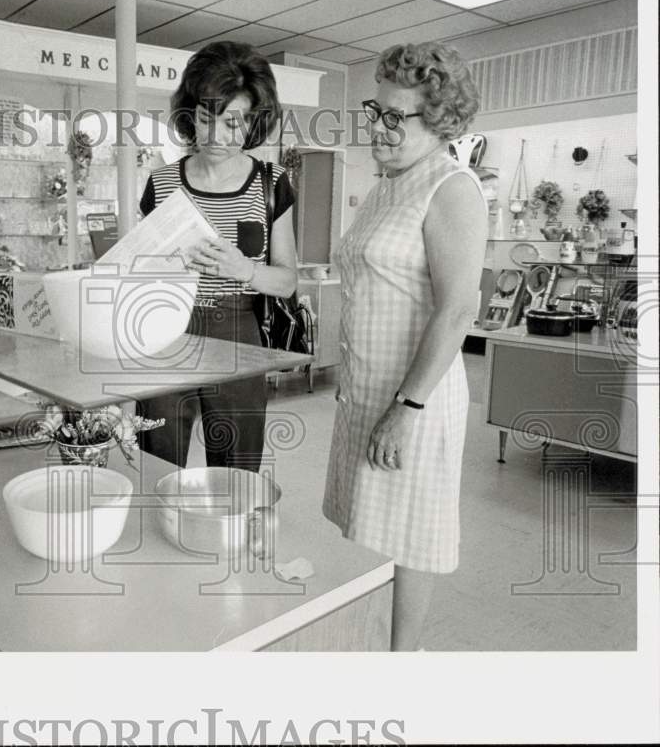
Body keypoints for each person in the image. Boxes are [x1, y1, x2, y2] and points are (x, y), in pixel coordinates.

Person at [322, 41, 487, 651]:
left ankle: (401, 665)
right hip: (368, 389)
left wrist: (405, 408)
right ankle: (375, 648)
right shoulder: (388, 184)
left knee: (412, 537)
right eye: (376, 111)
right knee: (375, 524)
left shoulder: (450, 188)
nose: (380, 128)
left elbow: (458, 309)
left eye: (398, 117)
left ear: (439, 120)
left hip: (414, 400)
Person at [136, 40, 298, 472]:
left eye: (233, 124)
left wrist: (243, 270)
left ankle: (227, 535)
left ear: (254, 124)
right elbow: (135, 269)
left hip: (239, 330)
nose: (216, 137)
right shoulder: (162, 183)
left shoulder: (271, 182)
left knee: (236, 465)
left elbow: (287, 280)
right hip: (167, 329)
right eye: (206, 120)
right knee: (157, 456)